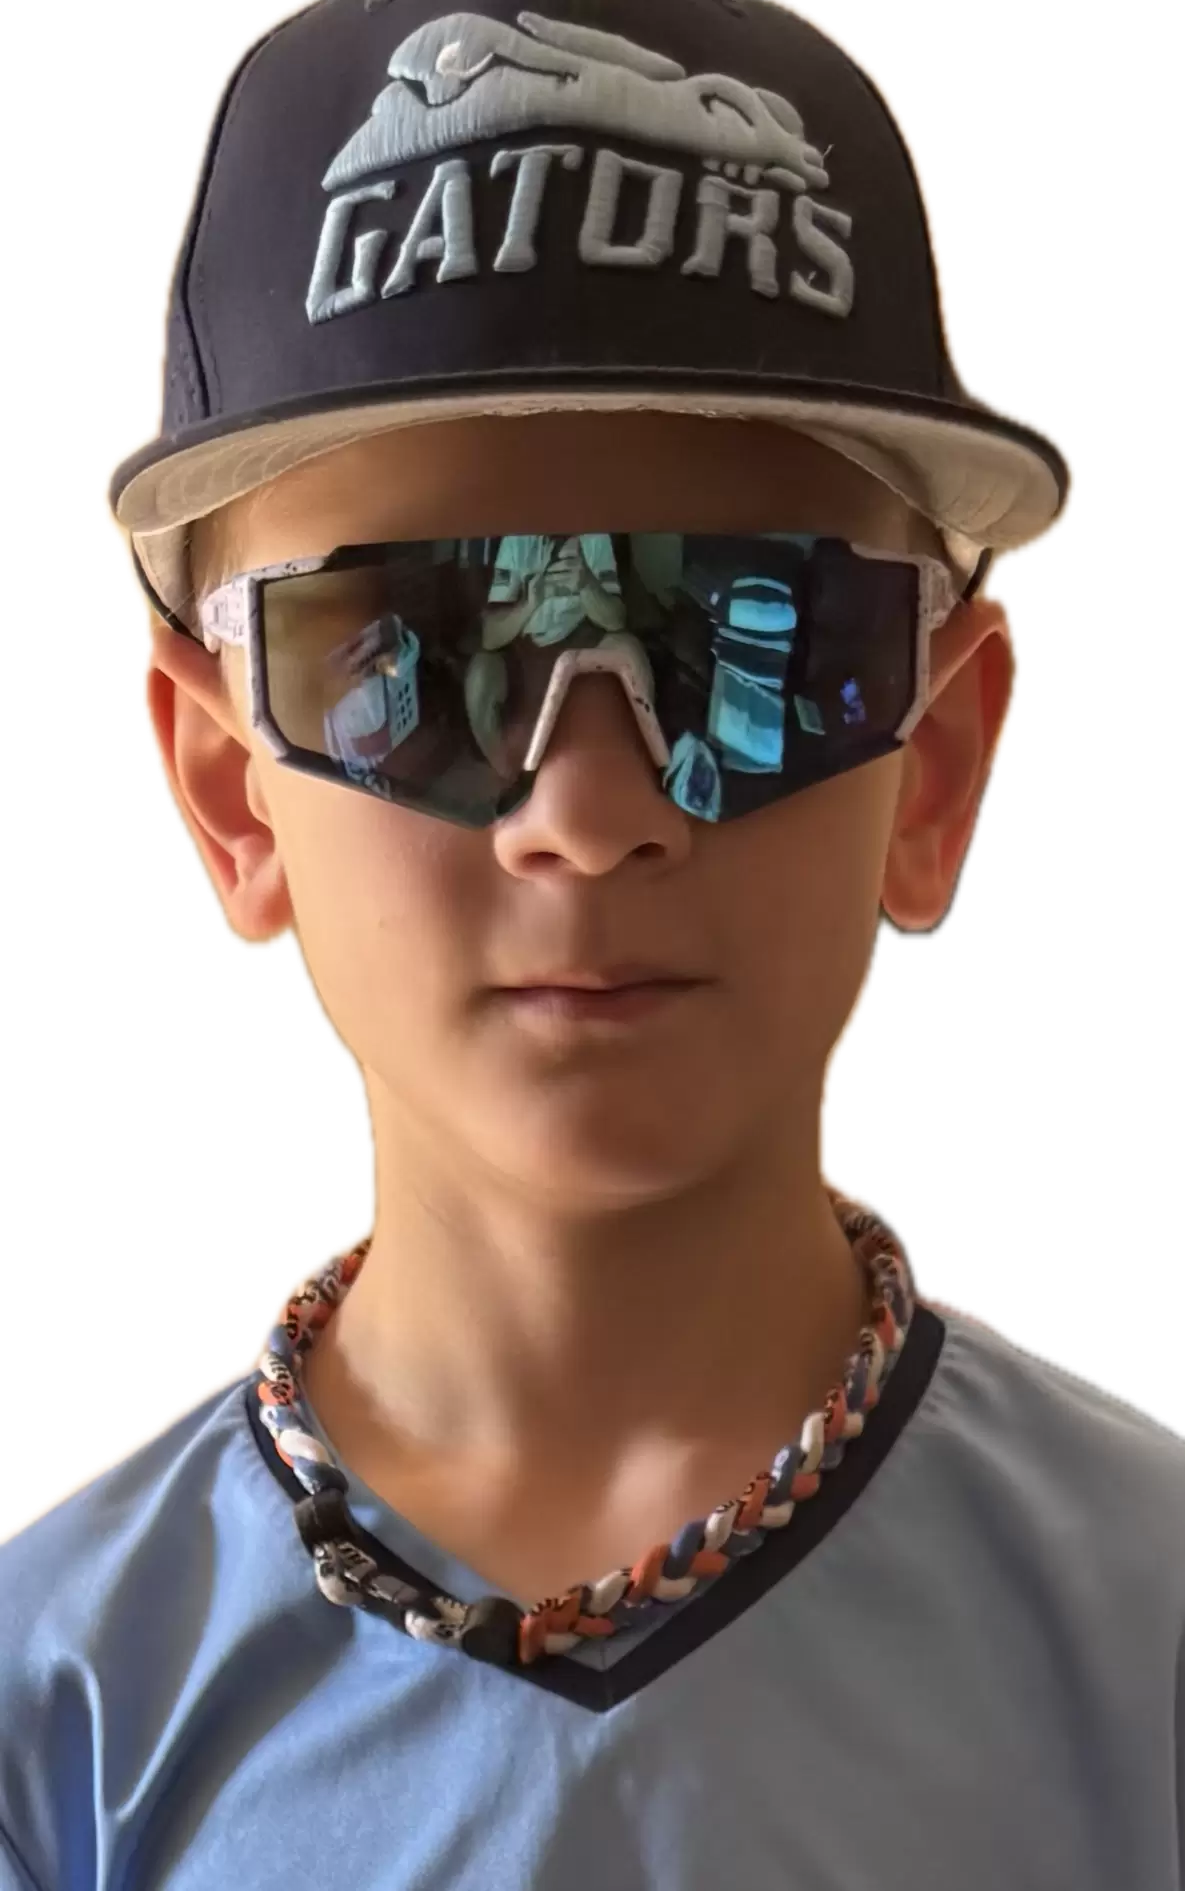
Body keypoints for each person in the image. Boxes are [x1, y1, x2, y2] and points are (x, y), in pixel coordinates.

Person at [2, 1, 1182, 1886]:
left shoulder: (1148, 1646)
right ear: (232, 791)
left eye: (750, 635)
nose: (591, 804)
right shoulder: (54, 1721)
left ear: (940, 756)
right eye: (416, 654)